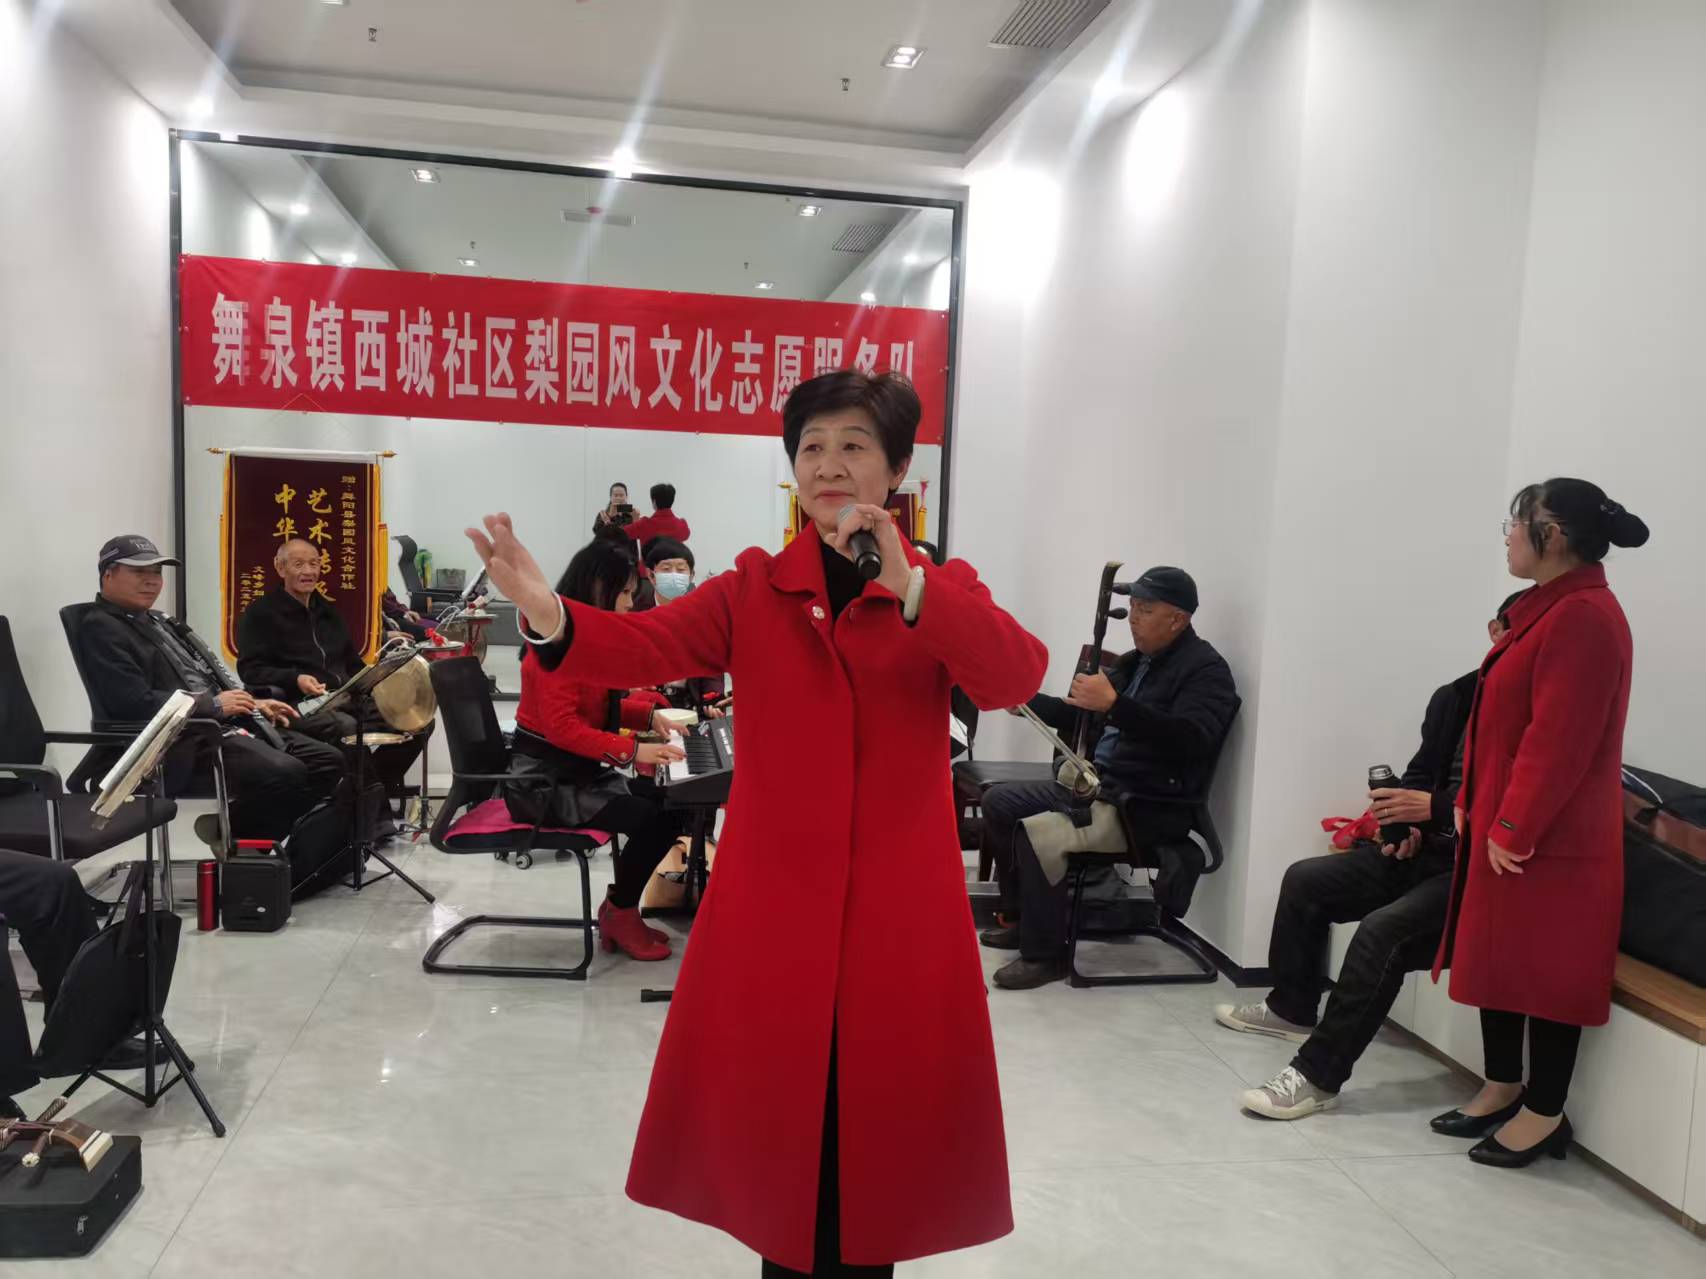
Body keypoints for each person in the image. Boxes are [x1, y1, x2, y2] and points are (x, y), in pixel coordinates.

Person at [466, 368, 1047, 1277]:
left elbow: (1015, 675)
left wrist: (913, 588)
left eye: (853, 445)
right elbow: (645, 643)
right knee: (785, 1159)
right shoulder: (753, 588)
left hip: (898, 919)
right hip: (777, 912)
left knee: (875, 1158)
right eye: (811, 446)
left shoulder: (941, 587)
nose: (829, 463)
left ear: (897, 469)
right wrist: (550, 617)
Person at [1214, 593, 1524, 1119]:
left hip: (1480, 873)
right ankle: (1291, 1008)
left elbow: (1514, 804)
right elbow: (1421, 775)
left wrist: (1436, 808)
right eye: (1514, 632)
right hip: (1431, 853)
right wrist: (1406, 825)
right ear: (1494, 632)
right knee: (1307, 880)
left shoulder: (1536, 712)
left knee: (1382, 932)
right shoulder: (1456, 697)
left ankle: (1317, 1076)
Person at [1428, 478, 1648, 1169]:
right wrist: (1472, 800)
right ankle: (1502, 1084)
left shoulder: (1584, 616)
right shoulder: (1541, 609)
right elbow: (1500, 722)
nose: (1507, 538)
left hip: (1550, 838)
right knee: (1499, 959)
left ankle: (1545, 1112)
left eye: (1514, 525)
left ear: (1550, 535)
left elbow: (1559, 740)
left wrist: (1513, 824)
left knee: (1549, 972)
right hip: (1509, 824)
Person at [978, 566, 1238, 991]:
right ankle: (1025, 919)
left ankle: (1046, 955)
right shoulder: (1138, 663)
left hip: (1146, 806)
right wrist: (1025, 700)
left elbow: (1192, 740)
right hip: (1100, 788)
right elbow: (1081, 714)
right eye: (1132, 607)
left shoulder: (1206, 671)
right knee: (1000, 803)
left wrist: (1116, 706)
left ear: (1178, 618)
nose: (1133, 617)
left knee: (1037, 832)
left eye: (1145, 609)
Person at [75, 535, 343, 843]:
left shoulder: (158, 621)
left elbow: (199, 678)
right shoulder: (101, 627)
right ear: (108, 575)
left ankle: (254, 841)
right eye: (139, 572)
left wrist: (251, 702)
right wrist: (214, 706)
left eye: (157, 572)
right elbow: (132, 703)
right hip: (181, 743)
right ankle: (238, 847)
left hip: (218, 724)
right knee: (286, 772)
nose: (151, 581)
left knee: (328, 761)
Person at [505, 534, 687, 962]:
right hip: (544, 785)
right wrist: (633, 751)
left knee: (670, 804)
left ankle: (619, 908)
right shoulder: (552, 647)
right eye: (624, 593)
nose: (629, 604)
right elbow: (563, 728)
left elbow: (594, 705)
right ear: (598, 588)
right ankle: (620, 913)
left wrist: (646, 717)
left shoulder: (576, 636)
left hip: (573, 775)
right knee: (653, 818)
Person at [236, 538, 427, 807]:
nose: (308, 571)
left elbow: (352, 663)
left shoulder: (328, 611)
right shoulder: (261, 613)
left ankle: (373, 792)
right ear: (280, 568)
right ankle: (369, 805)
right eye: (298, 564)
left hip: (345, 697)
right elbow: (250, 670)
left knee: (416, 720)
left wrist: (376, 681)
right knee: (346, 728)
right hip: (296, 704)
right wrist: (295, 679)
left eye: (314, 564)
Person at [643, 537, 727, 716]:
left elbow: (712, 666)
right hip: (646, 704)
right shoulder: (635, 611)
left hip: (691, 704)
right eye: (666, 569)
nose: (674, 575)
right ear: (651, 575)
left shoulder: (703, 616)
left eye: (681, 570)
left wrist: (713, 699)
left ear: (691, 575)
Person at [625, 482, 692, 549]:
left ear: (654, 502)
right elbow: (686, 535)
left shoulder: (643, 524)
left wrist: (631, 518)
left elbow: (622, 534)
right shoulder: (682, 525)